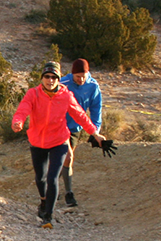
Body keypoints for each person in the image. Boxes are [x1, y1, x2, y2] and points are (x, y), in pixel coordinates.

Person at [11, 62, 113, 229]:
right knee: (40, 178)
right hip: (37, 142)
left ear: (58, 79)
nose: (50, 80)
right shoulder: (33, 94)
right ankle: (43, 202)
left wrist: (95, 134)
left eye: (54, 77)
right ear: (42, 78)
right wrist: (18, 122)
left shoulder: (66, 95)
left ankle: (48, 217)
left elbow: (80, 115)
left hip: (59, 141)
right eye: (47, 77)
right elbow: (22, 110)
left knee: (52, 178)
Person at [57, 58, 103, 208]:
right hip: (60, 126)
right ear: (72, 74)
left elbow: (96, 109)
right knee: (67, 157)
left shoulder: (93, 86)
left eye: (83, 76)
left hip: (77, 128)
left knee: (64, 159)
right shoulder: (64, 84)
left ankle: (52, 185)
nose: (81, 79)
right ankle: (68, 193)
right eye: (78, 76)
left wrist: (95, 132)